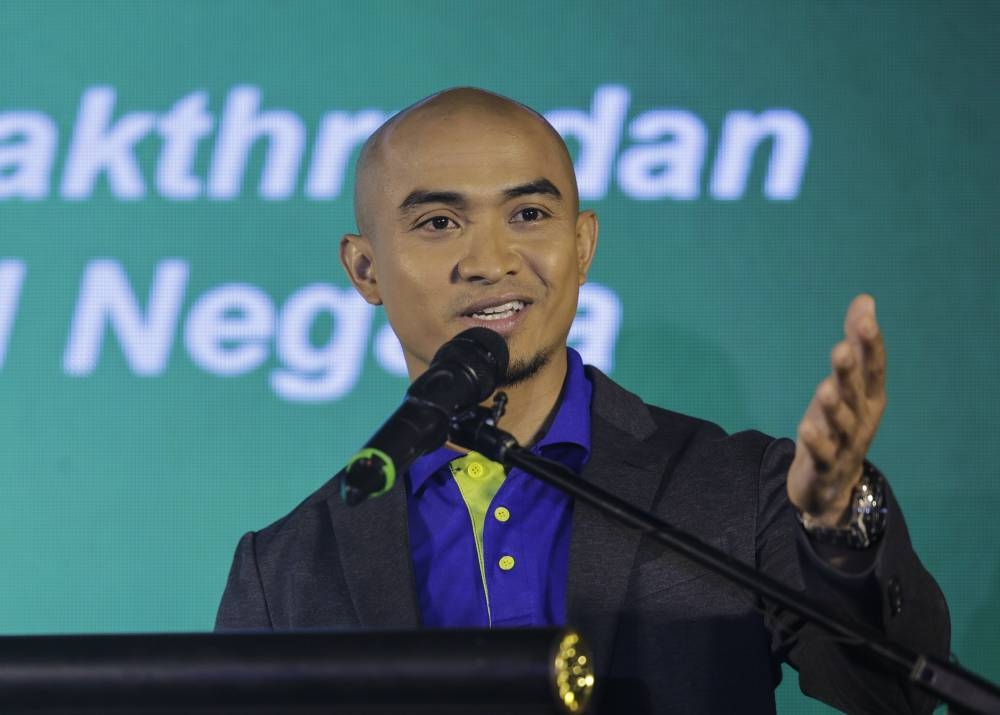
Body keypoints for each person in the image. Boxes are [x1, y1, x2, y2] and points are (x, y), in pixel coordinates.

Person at [216, 88, 950, 713]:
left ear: (583, 244)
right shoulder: (283, 571)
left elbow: (897, 690)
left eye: (529, 215)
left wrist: (842, 525)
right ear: (365, 269)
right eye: (439, 223)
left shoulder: (737, 486)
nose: (492, 262)